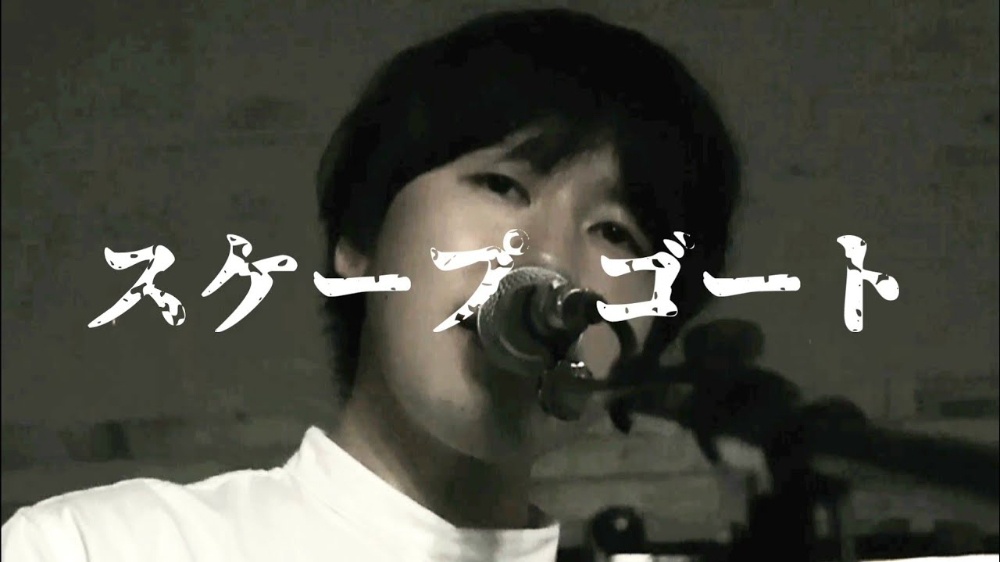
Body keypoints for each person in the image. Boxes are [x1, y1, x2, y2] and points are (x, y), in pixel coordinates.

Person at [1, 8, 740, 562]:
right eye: (502, 184)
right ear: (359, 244)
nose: (549, 259)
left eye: (617, 233)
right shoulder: (93, 548)